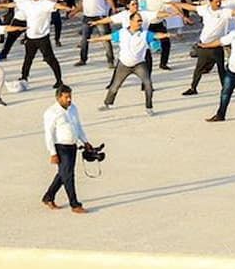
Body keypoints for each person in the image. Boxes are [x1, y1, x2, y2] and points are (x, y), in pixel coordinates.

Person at [99, 12, 162, 114]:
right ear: (131, 21)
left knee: (148, 85)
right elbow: (109, 37)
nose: (140, 23)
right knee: (115, 86)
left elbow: (157, 35)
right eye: (138, 20)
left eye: (141, 20)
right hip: (124, 64)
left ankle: (149, 107)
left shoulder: (145, 34)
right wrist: (95, 39)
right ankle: (108, 103)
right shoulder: (122, 32)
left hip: (139, 64)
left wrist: (167, 35)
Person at [42, 86, 91, 214]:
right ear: (58, 98)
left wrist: (85, 141)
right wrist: (53, 153)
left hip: (72, 146)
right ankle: (75, 204)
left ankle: (48, 197)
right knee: (68, 175)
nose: (69, 99)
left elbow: (78, 126)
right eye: (66, 97)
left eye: (70, 96)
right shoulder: (51, 112)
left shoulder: (73, 108)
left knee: (63, 174)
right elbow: (49, 134)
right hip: (61, 147)